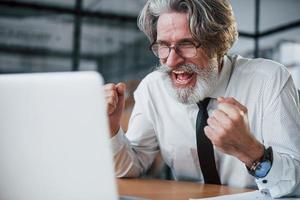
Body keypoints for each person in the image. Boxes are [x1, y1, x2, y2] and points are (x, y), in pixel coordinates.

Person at [104, 0, 300, 198]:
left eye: (187, 44)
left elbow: (296, 182)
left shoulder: (269, 80)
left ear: (218, 43)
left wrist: (251, 152)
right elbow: (133, 165)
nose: (171, 61)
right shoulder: (152, 88)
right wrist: (111, 128)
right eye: (163, 46)